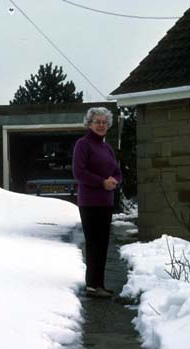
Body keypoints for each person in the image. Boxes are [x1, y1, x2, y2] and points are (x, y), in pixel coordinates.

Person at [72, 107, 122, 298]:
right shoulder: (82, 145)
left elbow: (117, 171)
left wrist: (115, 181)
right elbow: (79, 173)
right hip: (90, 202)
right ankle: (92, 286)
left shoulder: (107, 148)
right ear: (89, 124)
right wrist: (102, 182)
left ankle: (99, 284)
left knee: (103, 244)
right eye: (97, 122)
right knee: (93, 243)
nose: (101, 125)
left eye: (104, 122)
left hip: (106, 202)